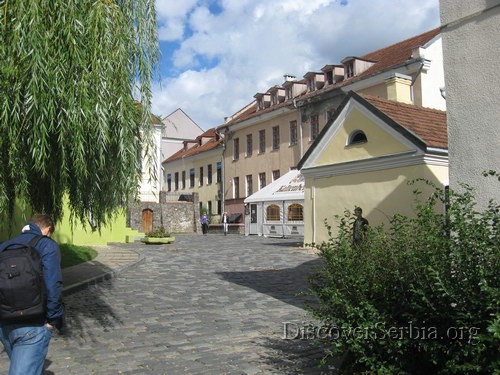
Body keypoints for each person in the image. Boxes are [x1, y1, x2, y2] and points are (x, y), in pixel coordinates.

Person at [0, 214, 65, 375]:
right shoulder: (46, 245)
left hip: (4, 324)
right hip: (34, 324)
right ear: (48, 229)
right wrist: (53, 320)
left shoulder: (4, 246)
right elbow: (53, 284)